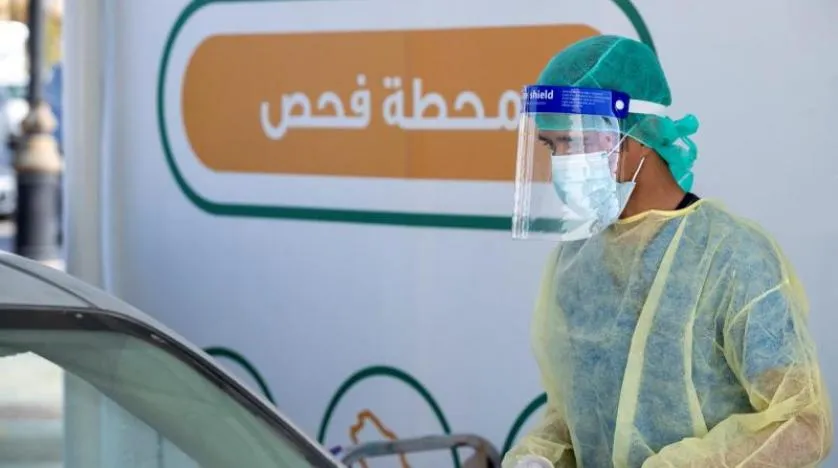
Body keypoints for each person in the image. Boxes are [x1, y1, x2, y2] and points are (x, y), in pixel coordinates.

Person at [504, 35, 832, 467]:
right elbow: (579, 413)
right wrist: (539, 456)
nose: (561, 162)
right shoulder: (577, 261)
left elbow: (804, 425)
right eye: (552, 146)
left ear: (636, 134)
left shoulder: (731, 257)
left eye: (576, 142)